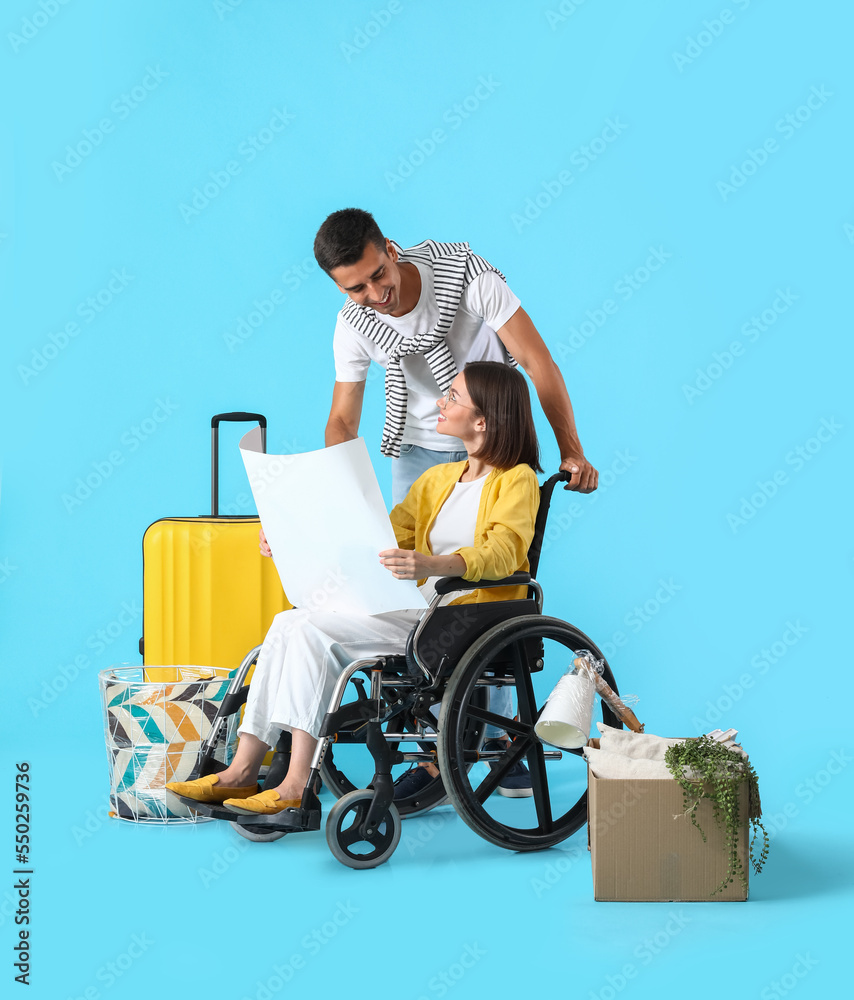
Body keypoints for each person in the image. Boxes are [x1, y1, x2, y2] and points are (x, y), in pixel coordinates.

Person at [166, 363, 541, 815]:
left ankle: (294, 782)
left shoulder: (516, 479)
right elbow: (376, 537)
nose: (441, 403)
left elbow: (504, 552)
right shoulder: (437, 480)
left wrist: (431, 563)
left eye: (453, 397)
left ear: (482, 420)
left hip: (463, 623)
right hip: (419, 613)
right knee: (289, 622)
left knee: (309, 633)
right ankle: (243, 769)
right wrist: (290, 538)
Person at [314, 207, 598, 506]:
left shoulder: (467, 276)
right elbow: (343, 422)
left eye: (379, 273)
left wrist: (571, 450)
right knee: (406, 549)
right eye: (357, 288)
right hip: (419, 449)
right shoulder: (353, 325)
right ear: (339, 287)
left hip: (495, 438)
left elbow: (536, 362)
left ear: (390, 250)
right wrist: (340, 493)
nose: (376, 293)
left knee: (499, 548)